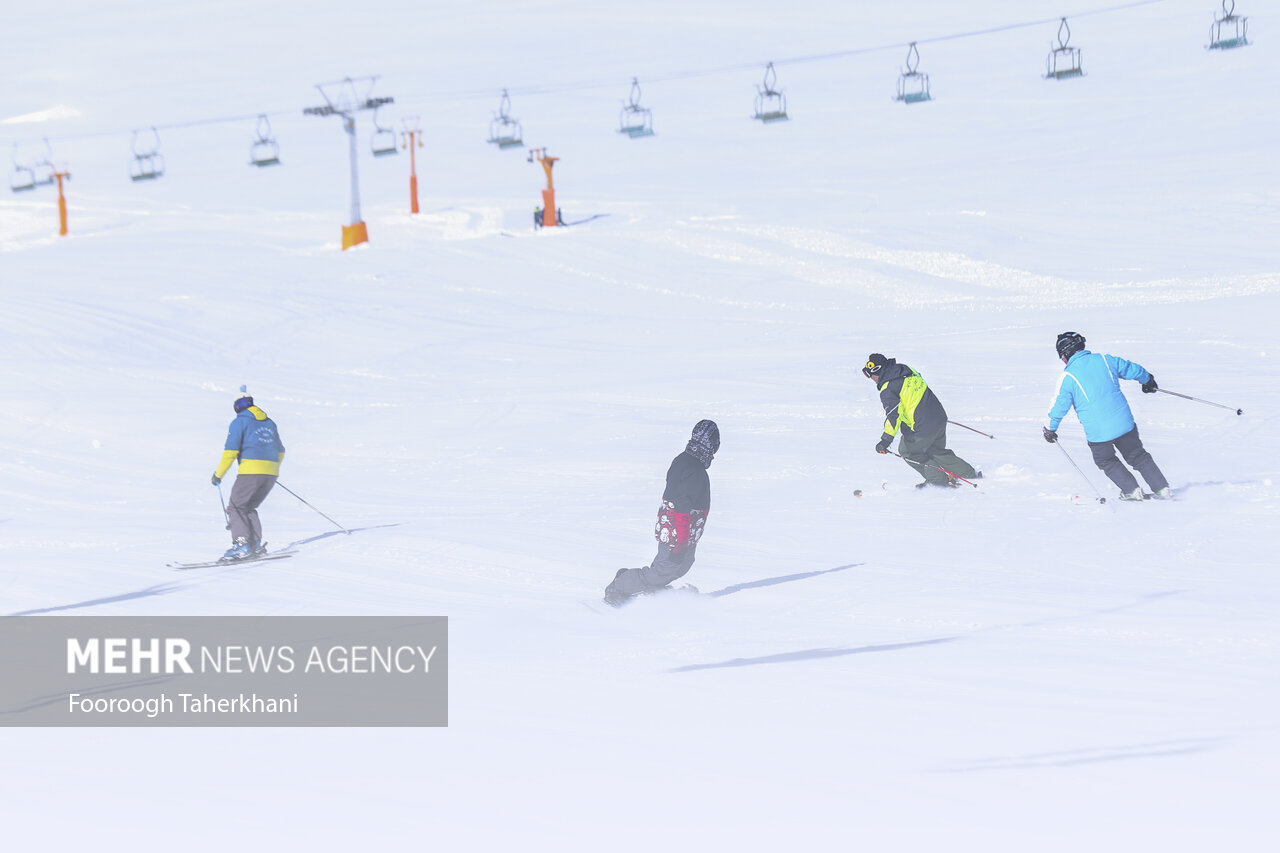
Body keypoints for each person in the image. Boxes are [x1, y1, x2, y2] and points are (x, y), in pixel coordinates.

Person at [1043, 332, 1171, 501]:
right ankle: (1162, 489)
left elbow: (1059, 405)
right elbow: (1130, 368)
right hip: (1124, 424)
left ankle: (1131, 491)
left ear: (1065, 353)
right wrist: (1147, 380)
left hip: (1098, 434)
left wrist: (1050, 428)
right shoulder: (1105, 360)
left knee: (1106, 460)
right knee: (1138, 456)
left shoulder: (1068, 377)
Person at [604, 420, 718, 607]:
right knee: (663, 570)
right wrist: (680, 542)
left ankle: (649, 585)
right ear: (709, 442)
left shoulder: (688, 462)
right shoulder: (692, 469)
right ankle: (619, 586)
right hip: (677, 533)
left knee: (683, 565)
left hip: (686, 532)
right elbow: (681, 508)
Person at [864, 353, 979, 488]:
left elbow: (893, 415)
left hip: (923, 425)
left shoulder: (888, 388)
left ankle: (938, 481)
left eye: (869, 375)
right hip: (939, 417)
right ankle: (970, 474)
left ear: (877, 371)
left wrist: (885, 440)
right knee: (935, 450)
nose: (871, 379)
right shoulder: (907, 370)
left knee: (908, 451)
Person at [211, 388, 286, 560]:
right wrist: (270, 468)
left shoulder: (239, 422)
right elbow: (281, 451)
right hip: (270, 474)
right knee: (248, 507)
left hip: (250, 472)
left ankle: (242, 546)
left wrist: (218, 474)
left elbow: (230, 452)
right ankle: (255, 545)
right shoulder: (269, 423)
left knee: (236, 507)